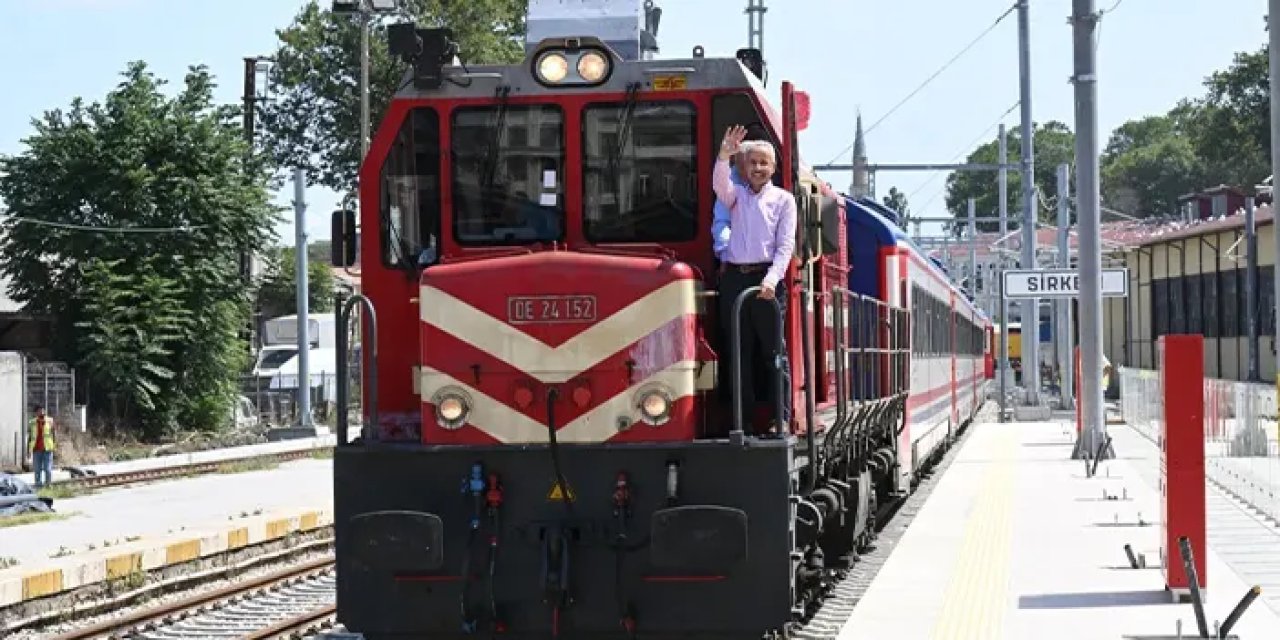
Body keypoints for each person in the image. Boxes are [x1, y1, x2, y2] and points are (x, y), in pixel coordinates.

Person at [713, 124, 797, 435]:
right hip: (736, 278)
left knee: (774, 352)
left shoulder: (784, 200)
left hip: (766, 279)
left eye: (764, 163)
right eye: (753, 163)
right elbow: (720, 185)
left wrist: (772, 280)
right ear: (744, 168)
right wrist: (724, 155)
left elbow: (785, 246)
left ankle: (780, 417)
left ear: (773, 168)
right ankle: (742, 419)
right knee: (739, 351)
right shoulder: (736, 197)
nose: (758, 168)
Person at [28, 405, 55, 488]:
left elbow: (54, 434)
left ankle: (48, 484)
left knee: (48, 469)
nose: (42, 412)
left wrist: (54, 446)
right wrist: (28, 450)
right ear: (36, 412)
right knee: (37, 469)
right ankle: (38, 485)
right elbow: (30, 437)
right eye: (40, 411)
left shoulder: (50, 421)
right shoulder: (32, 422)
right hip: (36, 449)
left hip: (47, 448)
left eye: (43, 410)